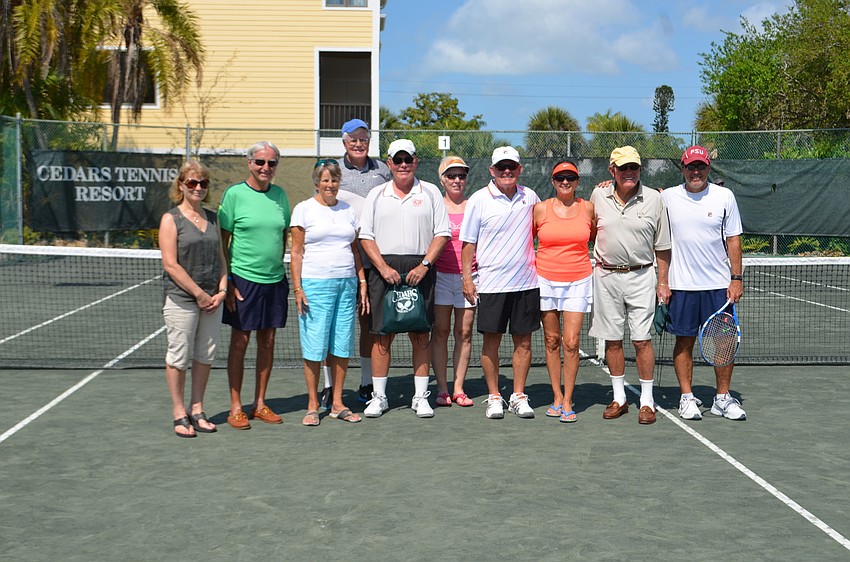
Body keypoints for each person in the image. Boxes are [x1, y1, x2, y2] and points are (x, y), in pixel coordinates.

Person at [359, 138, 450, 418]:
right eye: (397, 160)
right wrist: (382, 268)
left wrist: (424, 265)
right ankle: (379, 397)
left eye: (407, 159)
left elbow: (441, 233)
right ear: (389, 163)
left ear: (415, 162)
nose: (403, 165)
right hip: (383, 270)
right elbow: (366, 235)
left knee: (421, 334)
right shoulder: (376, 194)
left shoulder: (431, 192)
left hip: (419, 269)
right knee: (381, 336)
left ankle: (420, 397)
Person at [661, 146, 746, 420]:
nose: (695, 172)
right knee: (684, 342)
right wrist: (606, 185)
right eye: (690, 167)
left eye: (700, 166)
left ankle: (722, 398)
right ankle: (687, 398)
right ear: (682, 169)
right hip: (682, 286)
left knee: (724, 342)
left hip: (719, 287)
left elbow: (733, 239)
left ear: (709, 168)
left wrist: (736, 279)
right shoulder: (667, 198)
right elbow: (636, 194)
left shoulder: (724, 197)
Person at [588, 146, 671, 425]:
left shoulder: (655, 199)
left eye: (633, 167)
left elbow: (662, 246)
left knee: (642, 340)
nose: (629, 173)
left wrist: (663, 282)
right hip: (606, 277)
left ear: (640, 169)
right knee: (612, 340)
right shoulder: (598, 195)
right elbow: (589, 232)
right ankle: (619, 398)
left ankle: (646, 402)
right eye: (623, 168)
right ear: (612, 170)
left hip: (642, 276)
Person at [459, 146, 541, 420]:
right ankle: (495, 396)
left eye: (512, 167)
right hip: (492, 285)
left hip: (526, 284)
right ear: (492, 171)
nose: (507, 171)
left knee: (524, 343)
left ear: (519, 169)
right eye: (502, 167)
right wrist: (467, 279)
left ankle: (518, 395)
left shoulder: (530, 197)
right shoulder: (478, 199)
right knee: (490, 343)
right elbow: (468, 243)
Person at [317, 119, 393, 409]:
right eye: (353, 139)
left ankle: (366, 382)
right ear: (344, 142)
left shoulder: (383, 170)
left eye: (364, 139)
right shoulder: (332, 170)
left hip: (374, 261)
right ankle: (328, 386)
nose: (359, 144)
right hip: (340, 262)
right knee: (333, 324)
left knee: (368, 324)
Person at [219, 141, 291, 430]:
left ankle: (259, 404)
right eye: (260, 162)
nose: (265, 168)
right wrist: (228, 280)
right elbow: (222, 242)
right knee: (240, 342)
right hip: (242, 280)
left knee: (268, 341)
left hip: (274, 281)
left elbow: (283, 234)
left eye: (271, 163)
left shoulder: (280, 195)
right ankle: (235, 407)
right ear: (249, 163)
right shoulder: (234, 195)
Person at [290, 159, 368, 426]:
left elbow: (354, 249)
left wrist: (362, 282)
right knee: (315, 346)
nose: (330, 185)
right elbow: (296, 252)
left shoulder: (348, 210)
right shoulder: (303, 210)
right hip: (315, 285)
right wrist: (298, 288)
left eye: (334, 180)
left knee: (342, 345)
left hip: (346, 285)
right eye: (325, 180)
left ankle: (337, 403)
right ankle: (312, 406)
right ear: (316, 182)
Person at [159, 161, 228, 438]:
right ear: (181, 185)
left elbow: (221, 258)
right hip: (182, 300)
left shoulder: (213, 218)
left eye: (203, 183)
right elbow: (170, 264)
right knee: (179, 357)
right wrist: (198, 294)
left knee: (204, 355)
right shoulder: (171, 219)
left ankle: (197, 408)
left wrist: (222, 290)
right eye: (192, 183)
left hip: (212, 301)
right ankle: (179, 413)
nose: (198, 187)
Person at [533, 161, 595, 424]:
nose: (565, 182)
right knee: (551, 340)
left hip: (579, 280)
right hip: (545, 280)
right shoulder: (540, 209)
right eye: (560, 178)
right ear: (553, 181)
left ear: (578, 181)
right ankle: (556, 396)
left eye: (570, 177)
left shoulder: (588, 208)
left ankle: (568, 400)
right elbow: (529, 240)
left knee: (571, 342)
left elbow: (594, 235)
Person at [431, 156, 476, 408]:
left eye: (461, 175)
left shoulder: (474, 206)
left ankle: (458, 389)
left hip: (469, 278)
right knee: (440, 331)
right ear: (442, 180)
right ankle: (442, 389)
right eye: (451, 175)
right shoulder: (435, 206)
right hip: (439, 277)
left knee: (464, 332)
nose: (457, 180)